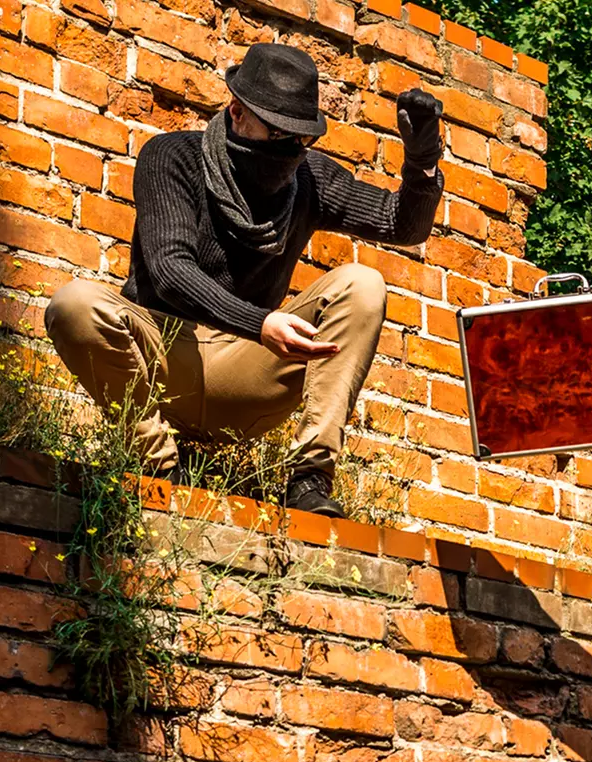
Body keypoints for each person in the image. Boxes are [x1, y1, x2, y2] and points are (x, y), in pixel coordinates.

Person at [45, 43, 445, 516]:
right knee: (74, 303)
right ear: (236, 112)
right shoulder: (172, 157)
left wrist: (421, 165)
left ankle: (309, 480)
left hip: (247, 370)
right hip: (166, 354)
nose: (286, 150)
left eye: (298, 139)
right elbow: (171, 271)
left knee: (363, 283)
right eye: (274, 133)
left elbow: (401, 224)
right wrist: (260, 323)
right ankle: (157, 469)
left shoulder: (309, 178)